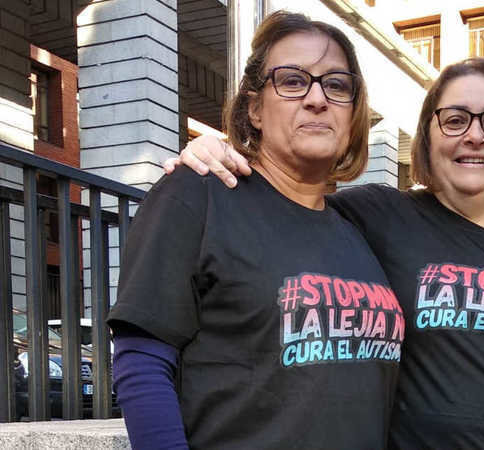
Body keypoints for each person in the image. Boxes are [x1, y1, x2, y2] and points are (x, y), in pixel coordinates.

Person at [170, 57, 484, 449]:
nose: (474, 136)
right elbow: (283, 200)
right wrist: (218, 153)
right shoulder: (378, 215)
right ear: (427, 136)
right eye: (455, 120)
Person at [107, 11, 404, 449]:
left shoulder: (359, 228)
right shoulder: (200, 194)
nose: (317, 99)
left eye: (337, 85)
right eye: (292, 81)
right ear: (254, 108)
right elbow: (142, 360)